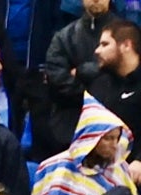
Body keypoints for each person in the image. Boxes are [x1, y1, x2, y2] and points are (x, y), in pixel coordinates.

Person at [32, 93, 137, 195]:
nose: (114, 145)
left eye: (116, 139)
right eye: (108, 138)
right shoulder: (55, 167)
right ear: (91, 137)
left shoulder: (119, 170)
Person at [43, 0, 116, 157]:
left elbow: (129, 77)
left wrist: (83, 71)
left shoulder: (127, 36)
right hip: (69, 132)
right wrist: (100, 87)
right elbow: (56, 83)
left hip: (117, 131)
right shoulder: (63, 38)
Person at [90, 20, 141, 181]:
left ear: (126, 45)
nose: (97, 51)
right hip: (101, 173)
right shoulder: (99, 84)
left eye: (105, 44)